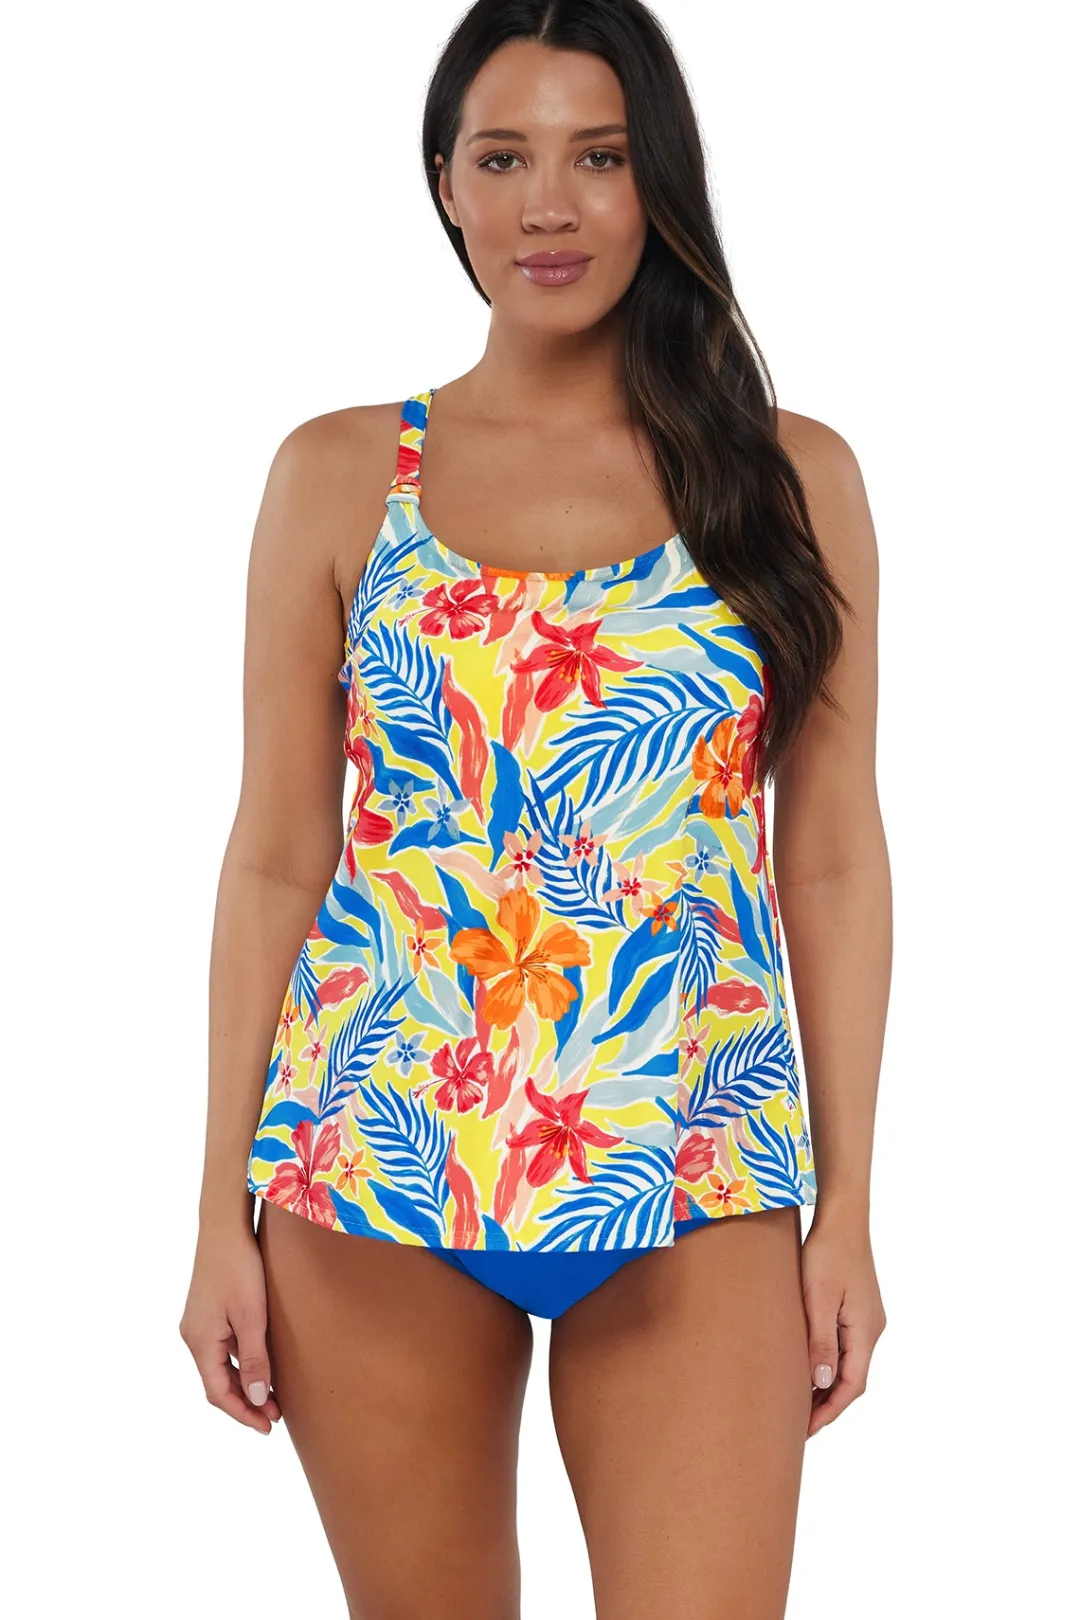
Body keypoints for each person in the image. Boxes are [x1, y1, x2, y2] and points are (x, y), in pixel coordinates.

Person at [180, 1, 890, 1614]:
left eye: (600, 158)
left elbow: (834, 853)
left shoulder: (790, 480)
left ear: (662, 181)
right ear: (445, 182)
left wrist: (848, 1207)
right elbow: (278, 853)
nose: (548, 207)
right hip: (373, 1163)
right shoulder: (339, 474)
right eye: (503, 159)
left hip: (695, 1163)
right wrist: (217, 1207)